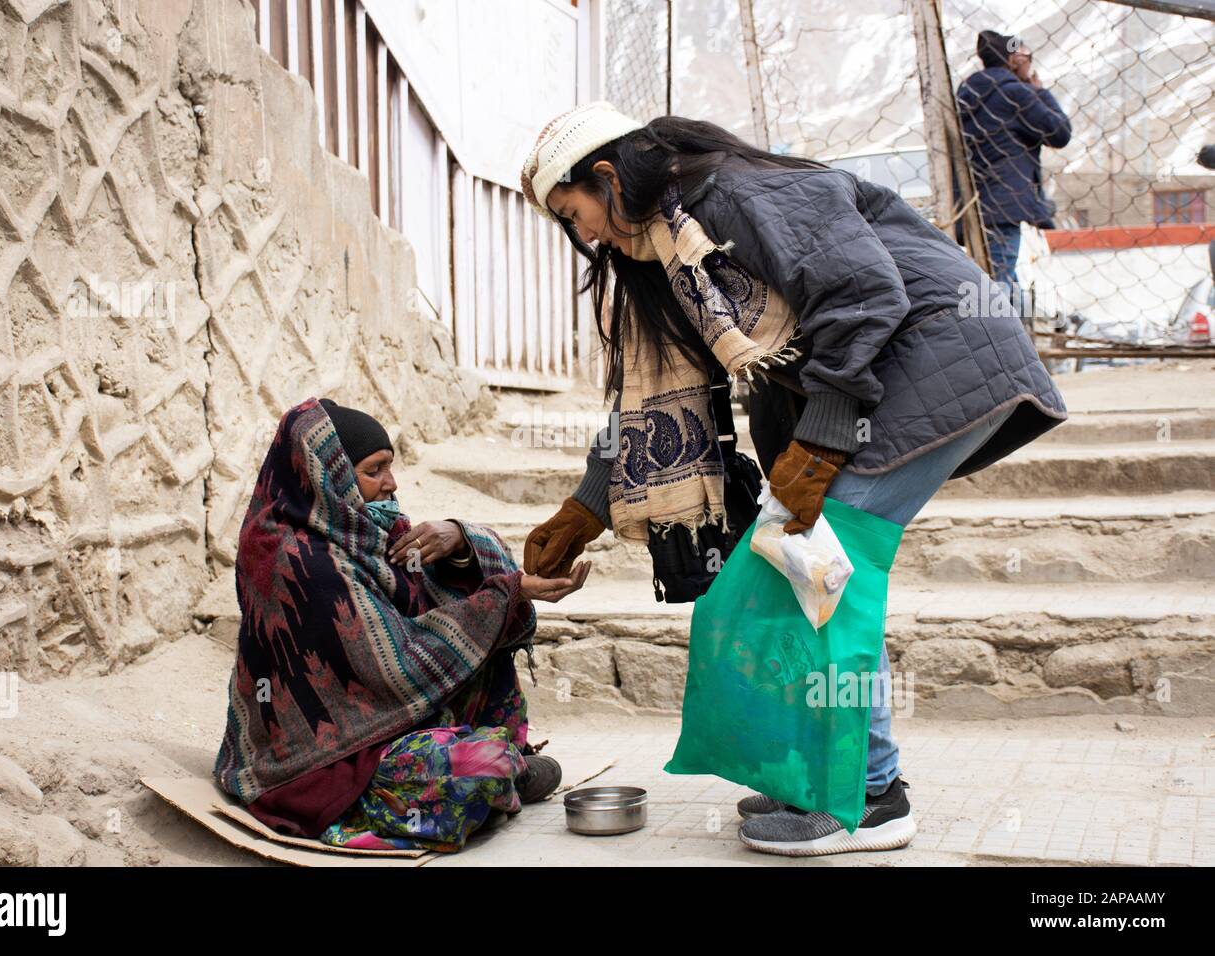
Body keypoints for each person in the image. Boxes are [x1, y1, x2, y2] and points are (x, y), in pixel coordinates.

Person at [519, 101, 1068, 856]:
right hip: (880, 382)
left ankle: (870, 798)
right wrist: (586, 508)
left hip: (934, 354)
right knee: (796, 572)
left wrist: (821, 445)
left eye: (572, 209)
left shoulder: (734, 195)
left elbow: (864, 293)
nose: (579, 234)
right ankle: (826, 778)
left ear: (607, 176)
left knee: (818, 571)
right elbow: (649, 404)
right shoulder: (663, 254)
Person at [213, 397, 590, 853]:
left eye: (390, 466)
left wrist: (457, 537)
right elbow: (396, 666)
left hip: (385, 718)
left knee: (486, 652)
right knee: (476, 763)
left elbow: (433, 593)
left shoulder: (357, 530)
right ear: (327, 474)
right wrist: (511, 592)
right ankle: (504, 770)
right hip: (318, 760)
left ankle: (504, 768)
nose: (391, 483)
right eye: (375, 469)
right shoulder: (293, 557)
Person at [957, 30, 1072, 328]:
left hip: (973, 200)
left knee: (1001, 274)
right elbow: (1059, 133)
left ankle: (1023, 342)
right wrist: (1039, 91)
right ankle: (1009, 347)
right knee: (1000, 282)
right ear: (1013, 59)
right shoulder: (1015, 92)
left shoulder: (966, 91)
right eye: (1025, 57)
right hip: (1005, 201)